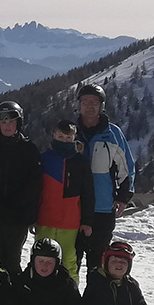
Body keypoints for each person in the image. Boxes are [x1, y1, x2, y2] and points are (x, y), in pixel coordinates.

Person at [74, 84, 135, 274]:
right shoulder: (71, 132)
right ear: (79, 105)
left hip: (102, 207)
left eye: (94, 102)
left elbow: (127, 167)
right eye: (85, 102)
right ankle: (69, 301)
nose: (90, 106)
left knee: (98, 262)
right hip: (74, 205)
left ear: (101, 106)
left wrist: (123, 197)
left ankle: (95, 301)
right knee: (70, 259)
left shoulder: (113, 134)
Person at [0, 101, 42, 275]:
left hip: (17, 217)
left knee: (12, 261)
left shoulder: (29, 150)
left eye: (11, 122)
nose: (7, 126)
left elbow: (34, 184)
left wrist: (22, 208)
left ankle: (13, 299)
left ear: (18, 123)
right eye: (3, 122)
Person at [35, 120, 94, 280]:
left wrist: (87, 221)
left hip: (70, 222)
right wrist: (31, 217)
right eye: (61, 136)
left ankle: (71, 296)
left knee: (68, 261)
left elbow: (88, 193)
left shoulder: (81, 162)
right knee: (41, 259)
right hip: (45, 219)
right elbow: (35, 191)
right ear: (53, 135)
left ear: (74, 137)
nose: (64, 140)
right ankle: (38, 294)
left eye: (68, 137)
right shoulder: (43, 159)